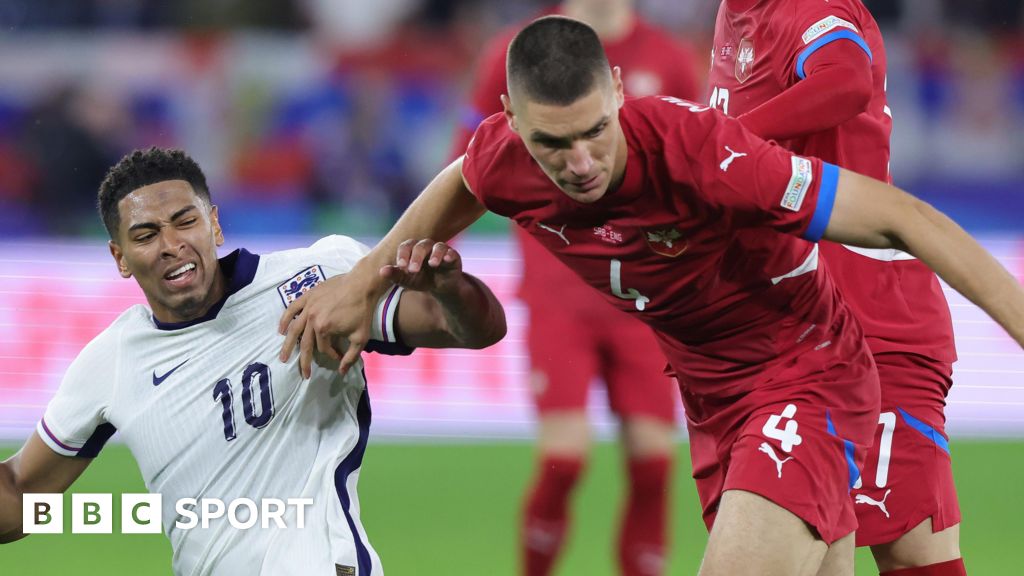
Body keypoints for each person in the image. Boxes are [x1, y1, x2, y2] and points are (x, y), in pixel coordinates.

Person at [277, 16, 1024, 576]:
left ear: (618, 93)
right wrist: (364, 277)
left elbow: (902, 218)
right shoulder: (509, 159)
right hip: (710, 398)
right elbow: (464, 181)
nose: (578, 163)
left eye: (596, 132)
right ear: (510, 115)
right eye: (551, 144)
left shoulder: (702, 152)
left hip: (806, 375)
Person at [0, 147, 507, 576]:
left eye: (186, 221)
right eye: (146, 234)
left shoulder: (321, 277)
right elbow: (21, 497)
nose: (172, 245)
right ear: (120, 257)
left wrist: (450, 289)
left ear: (214, 224)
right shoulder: (110, 361)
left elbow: (474, 329)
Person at [705, 2, 965, 574]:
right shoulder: (735, 13)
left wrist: (723, 142)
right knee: (819, 554)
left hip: (870, 318)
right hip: (791, 332)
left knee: (911, 548)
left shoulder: (807, 6)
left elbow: (847, 77)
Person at [449, 2, 699, 574]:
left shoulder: (668, 57)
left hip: (645, 298)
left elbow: (694, 160)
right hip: (559, 290)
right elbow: (463, 165)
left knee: (654, 464)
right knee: (565, 459)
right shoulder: (521, 55)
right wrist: (440, 253)